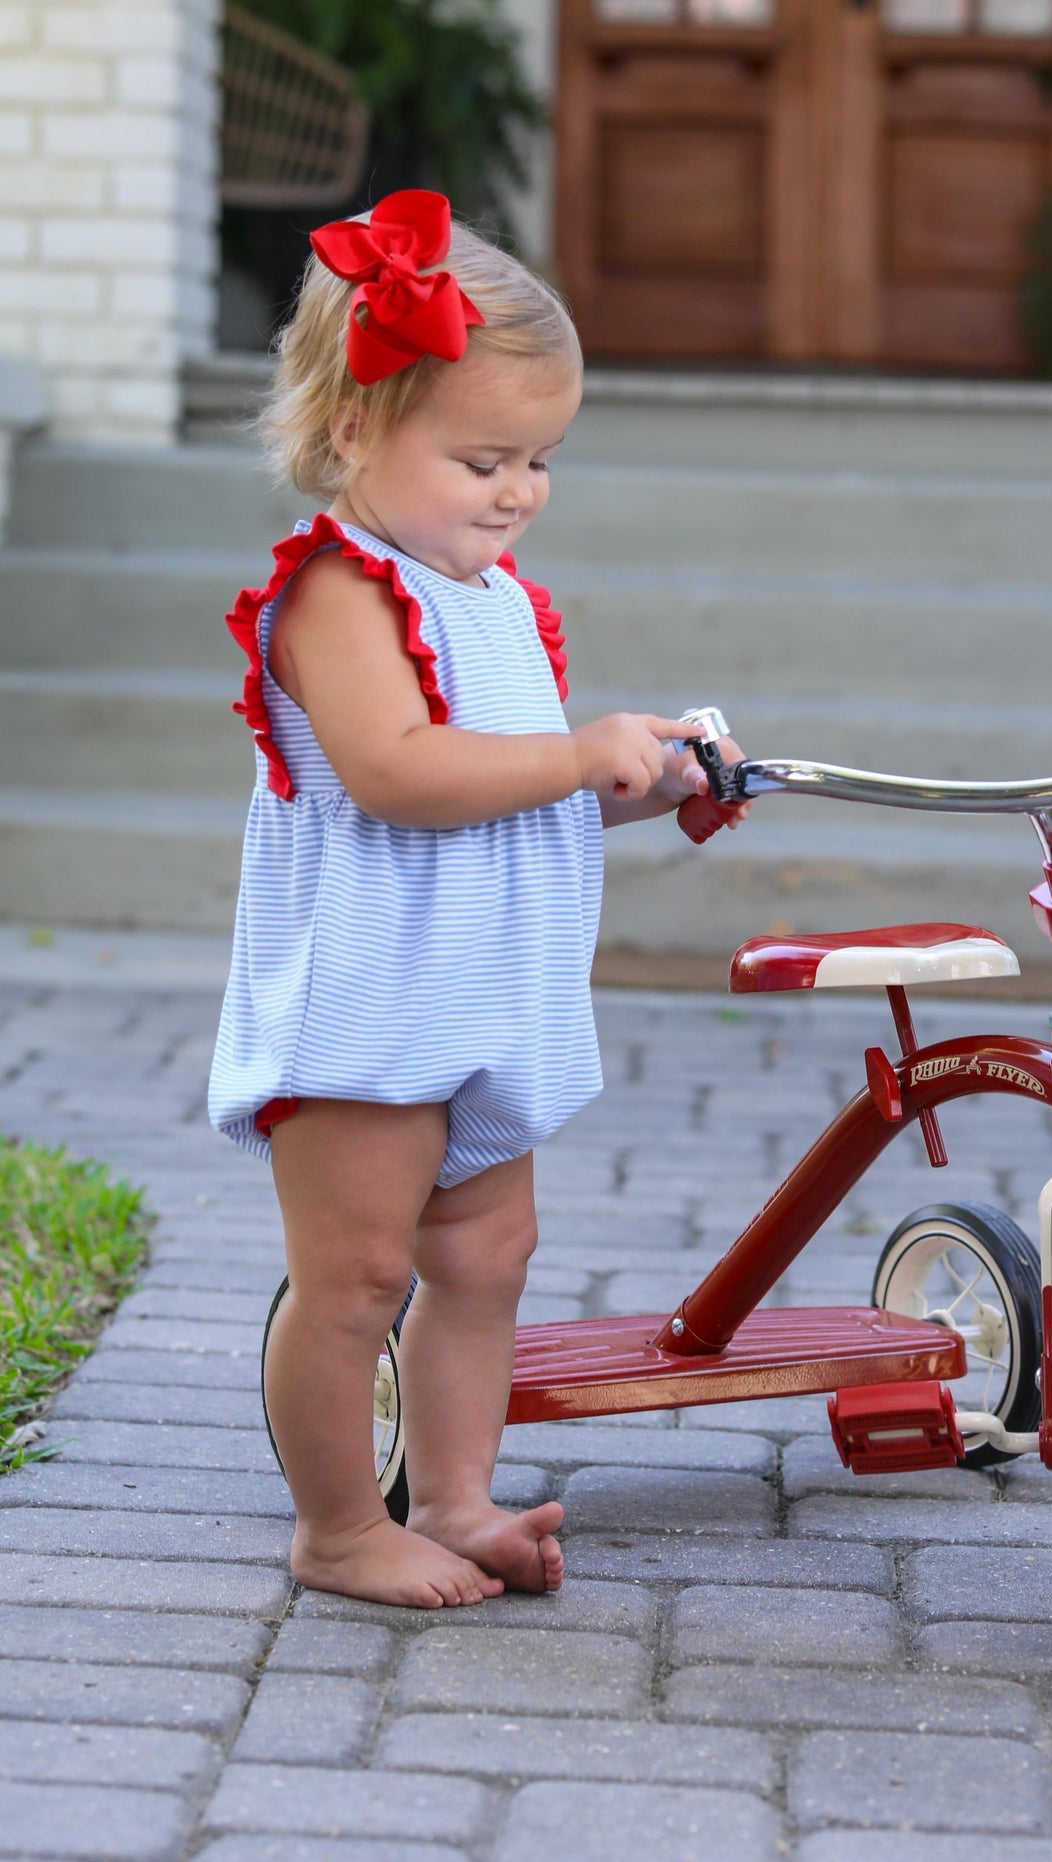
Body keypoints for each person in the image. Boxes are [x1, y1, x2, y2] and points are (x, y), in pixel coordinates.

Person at [208, 189, 746, 1609]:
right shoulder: (338, 592)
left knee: (487, 1251)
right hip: (370, 996)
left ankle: (451, 1493)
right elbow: (397, 772)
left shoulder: (495, 597)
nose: (518, 490)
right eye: (482, 456)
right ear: (348, 435)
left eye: (540, 460)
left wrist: (647, 782)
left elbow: (520, 790)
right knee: (359, 1271)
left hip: (487, 990)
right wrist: (577, 745)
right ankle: (336, 1526)